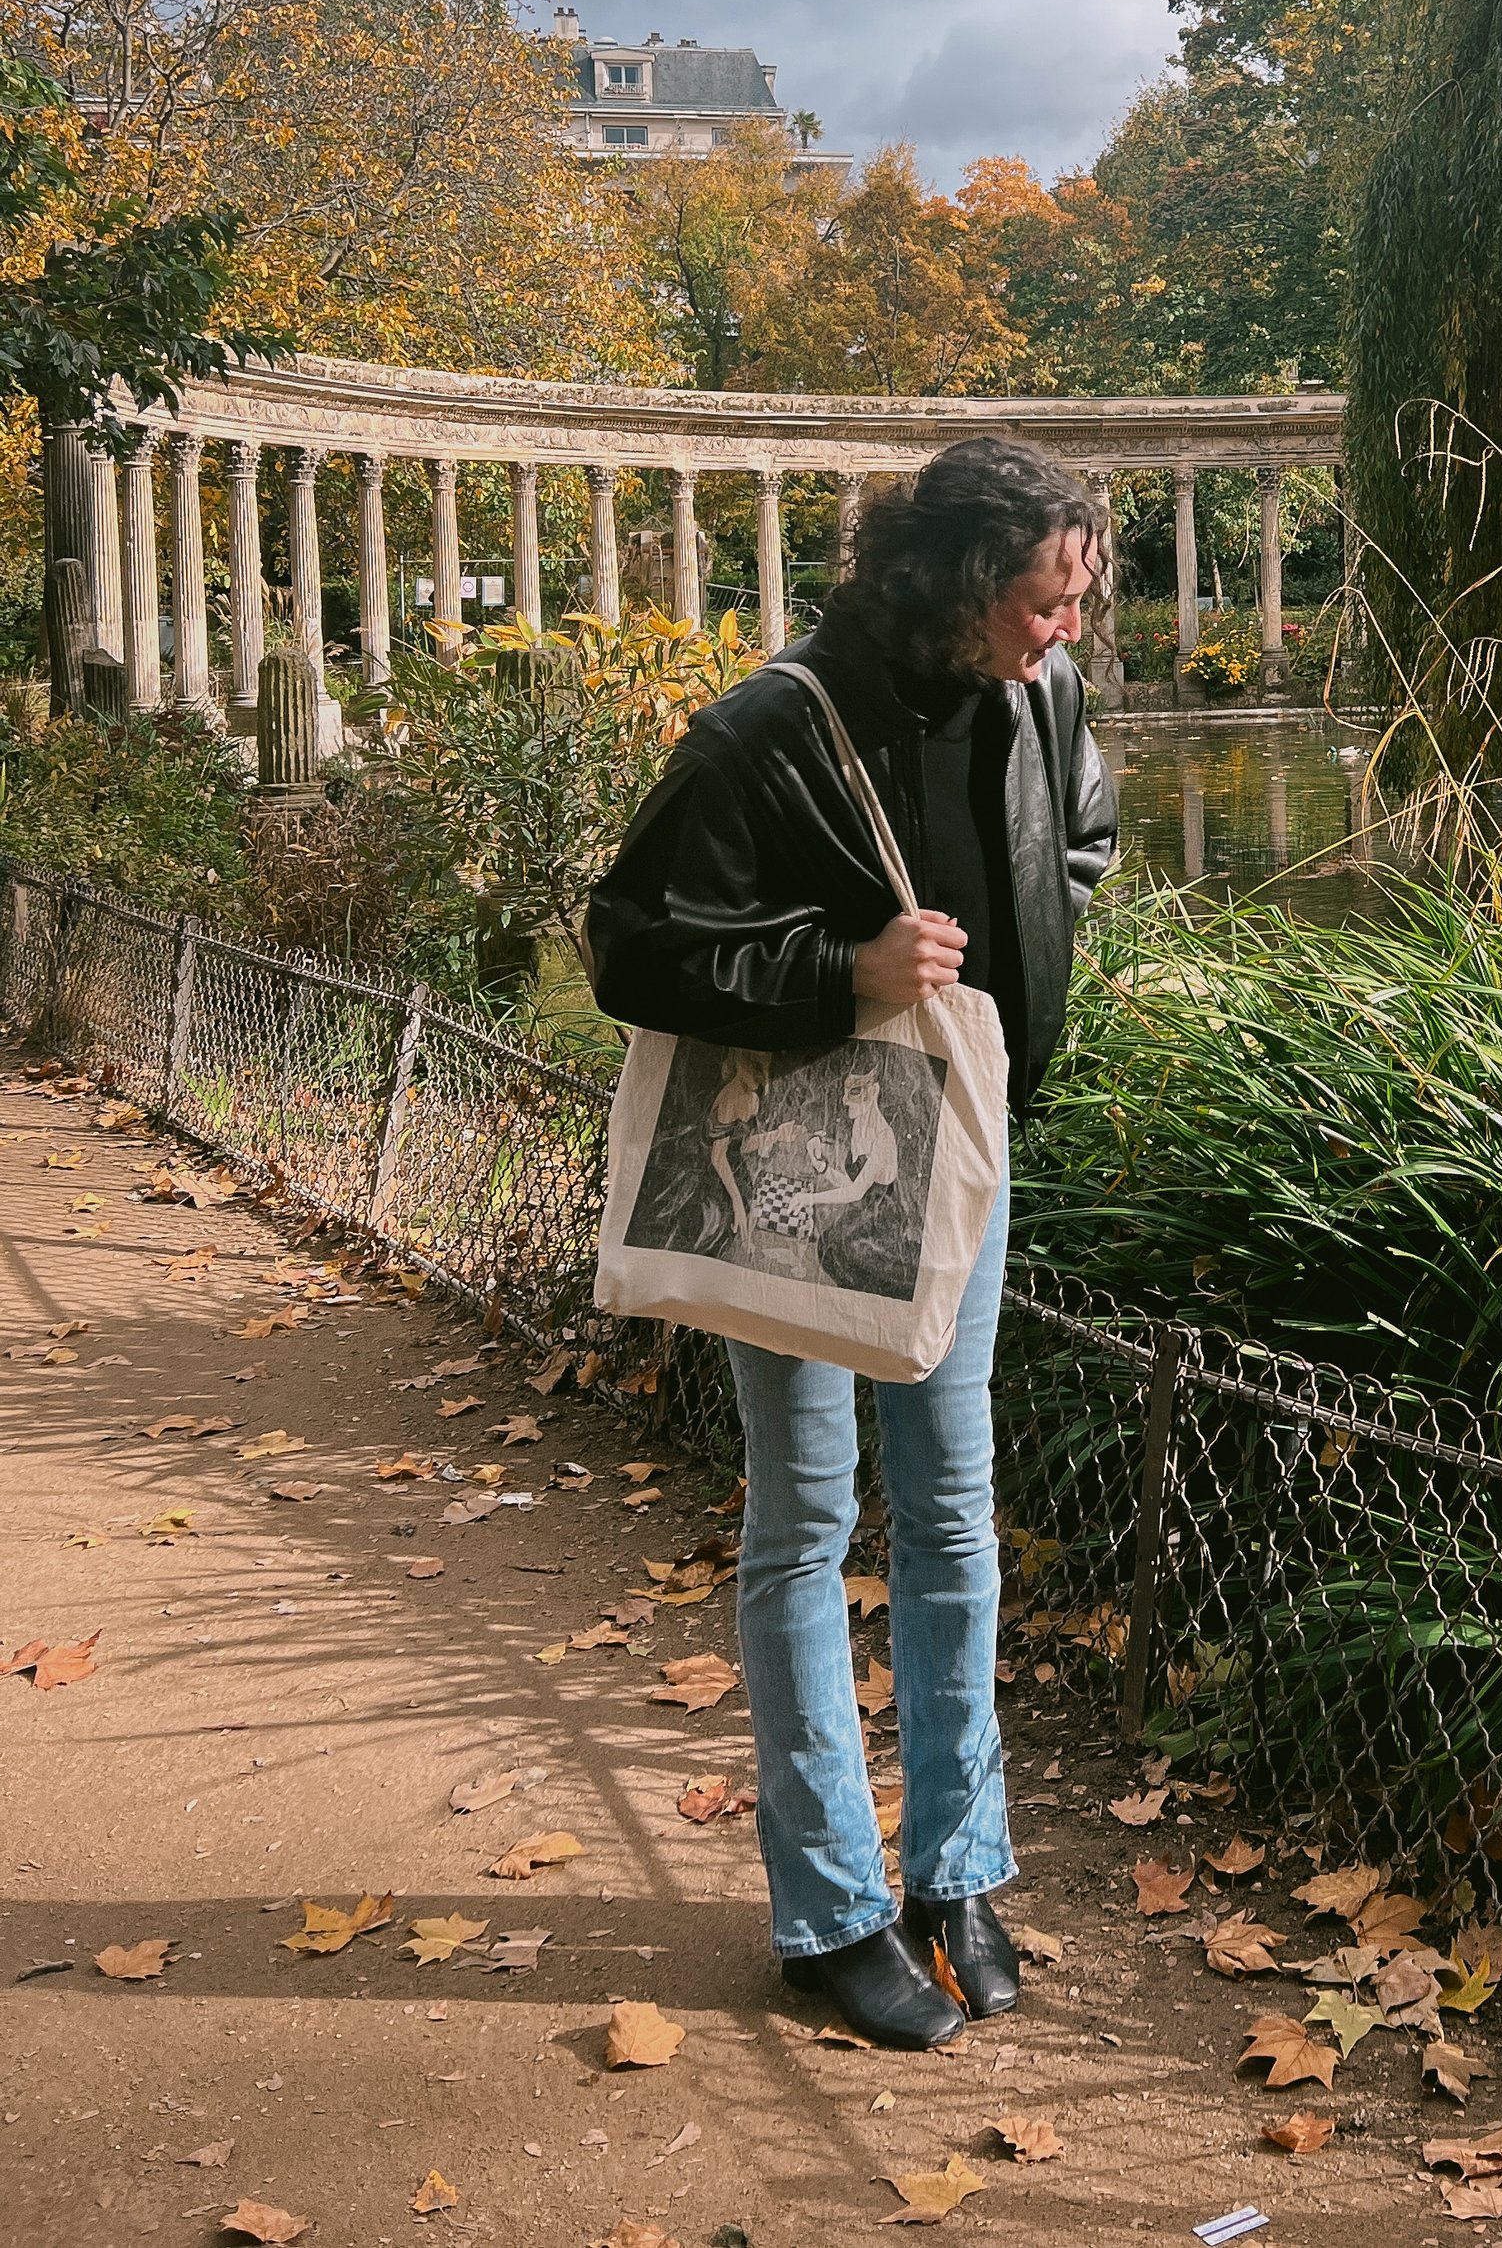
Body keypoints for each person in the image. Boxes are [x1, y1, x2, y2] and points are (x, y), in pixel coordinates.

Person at [585, 436, 1116, 2048]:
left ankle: (958, 1870)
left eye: (1076, 600)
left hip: (961, 1159)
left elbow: (1078, 838)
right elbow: (628, 941)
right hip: (805, 1179)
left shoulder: (1042, 700)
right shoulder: (772, 729)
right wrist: (846, 971)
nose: (1063, 631)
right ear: (962, 585)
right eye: (1043, 601)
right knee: (804, 1514)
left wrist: (1027, 960)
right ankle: (829, 1907)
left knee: (954, 1512)